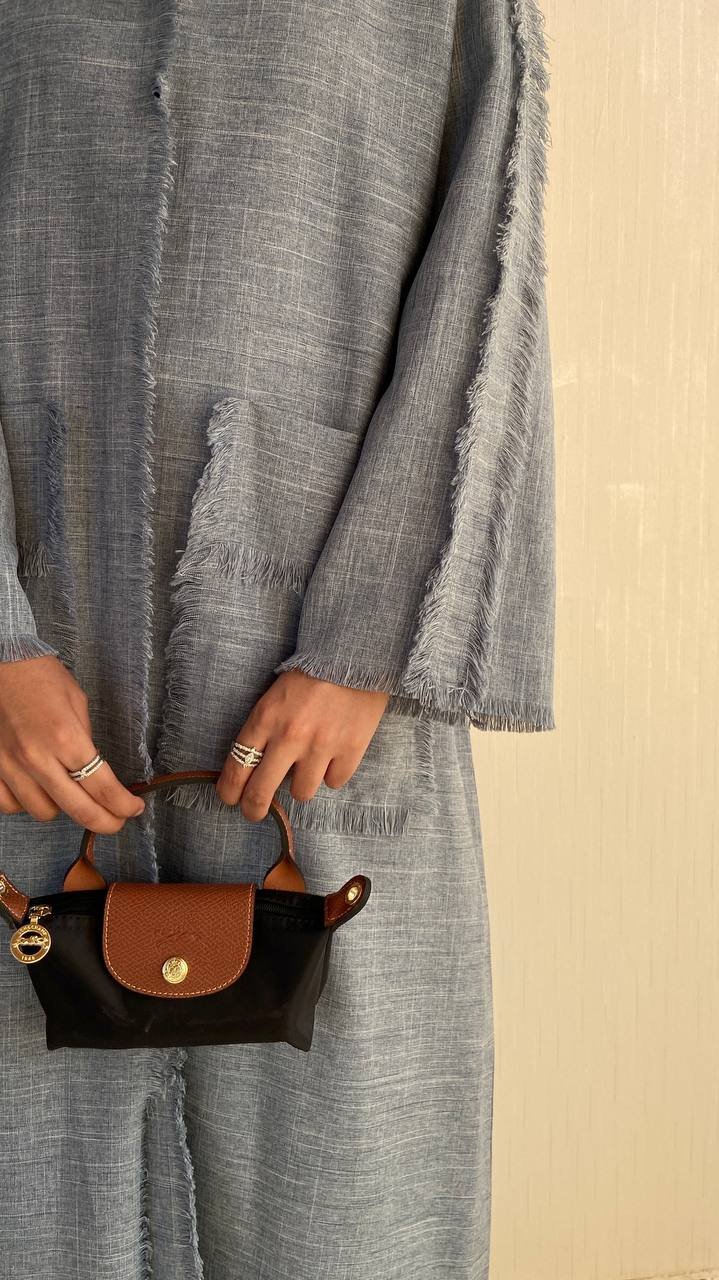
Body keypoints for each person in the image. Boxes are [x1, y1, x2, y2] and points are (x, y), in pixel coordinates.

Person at [0, 1, 556, 1276]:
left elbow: (485, 283)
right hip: (24, 698)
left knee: (345, 1187)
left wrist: (366, 643)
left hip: (320, 680)